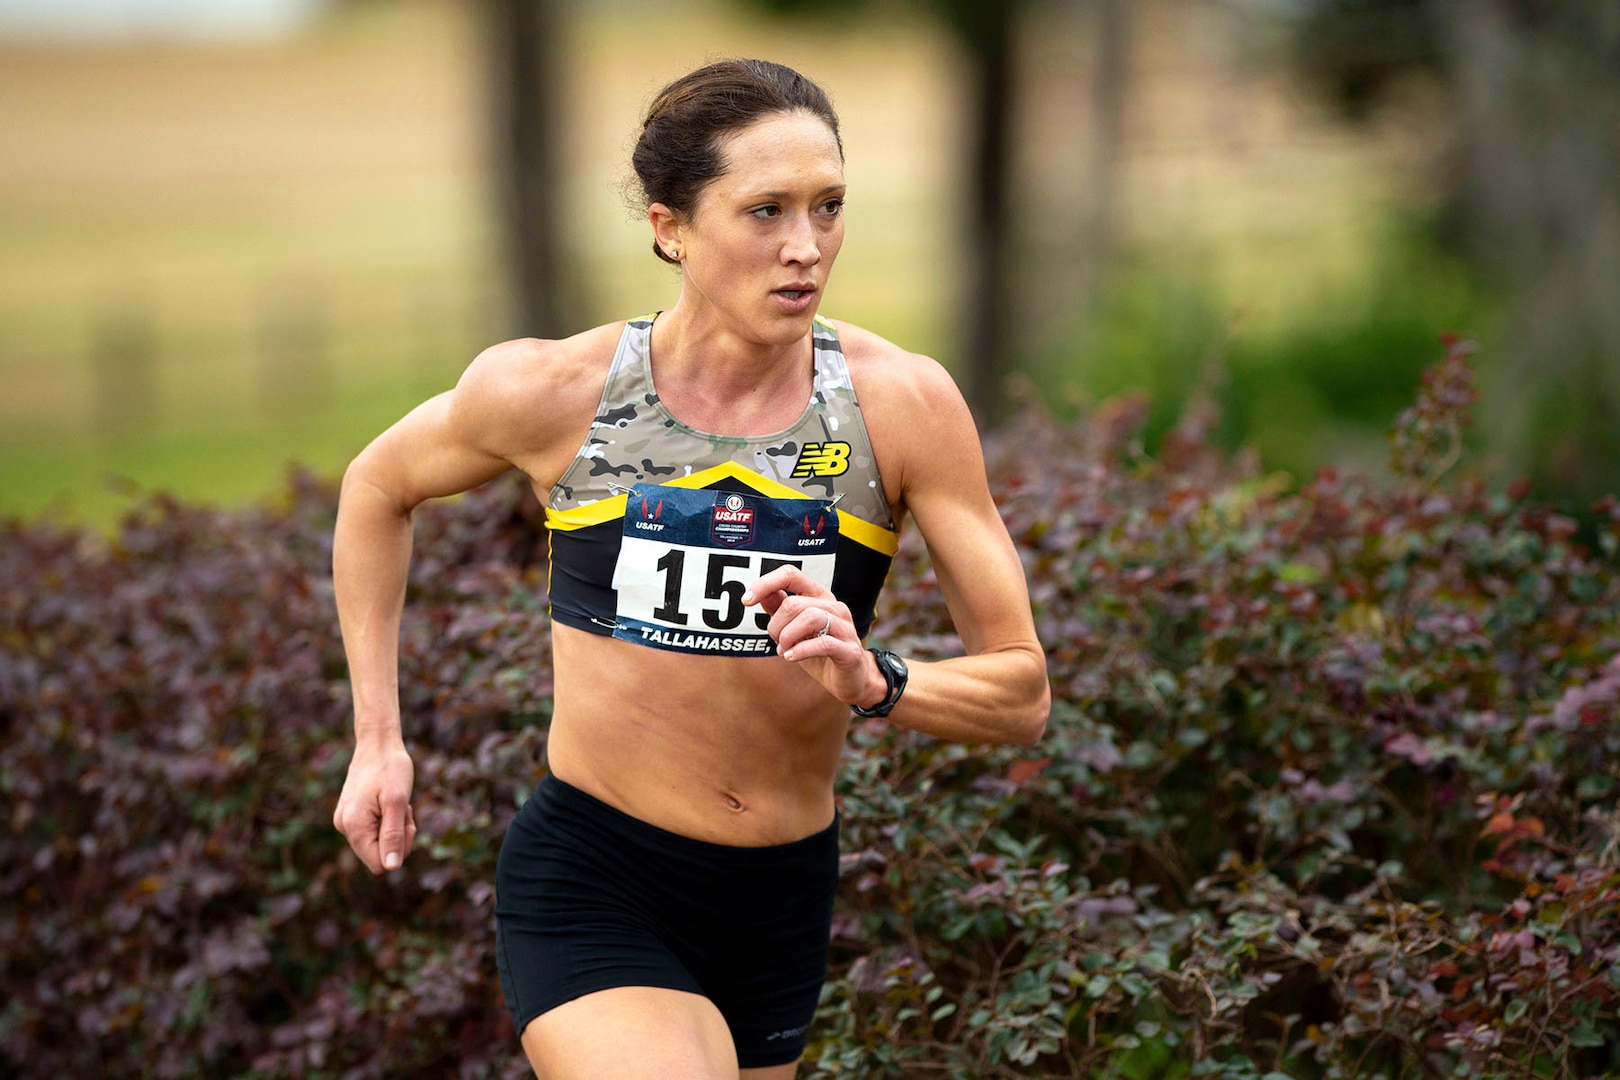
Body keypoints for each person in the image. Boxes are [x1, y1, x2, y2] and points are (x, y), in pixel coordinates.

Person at [331, 57, 1049, 1080]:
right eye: (765, 211)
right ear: (670, 227)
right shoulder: (556, 392)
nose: (806, 248)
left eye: (829, 207)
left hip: (781, 896)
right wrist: (376, 741)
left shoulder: (901, 407)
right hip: (597, 871)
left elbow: (1021, 690)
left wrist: (876, 679)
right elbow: (374, 489)